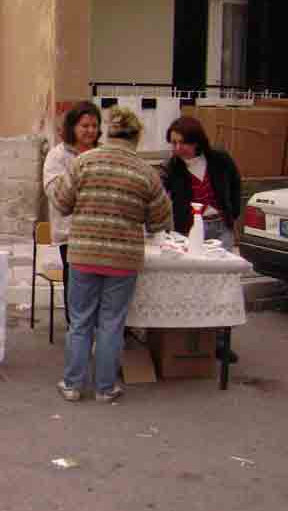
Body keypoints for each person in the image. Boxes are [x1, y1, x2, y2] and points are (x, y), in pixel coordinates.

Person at [51, 107, 173, 403]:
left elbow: (62, 203)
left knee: (80, 322)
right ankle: (105, 388)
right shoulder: (146, 172)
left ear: (109, 133)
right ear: (137, 137)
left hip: (83, 254)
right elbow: (160, 220)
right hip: (123, 259)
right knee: (111, 323)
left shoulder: (83, 162)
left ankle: (72, 385)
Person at [161, 115, 242, 362]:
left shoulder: (219, 160)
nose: (177, 148)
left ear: (196, 142)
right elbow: (162, 195)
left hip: (220, 227)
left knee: (221, 285)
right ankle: (193, 339)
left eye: (182, 143)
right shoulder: (172, 168)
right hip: (191, 230)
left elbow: (236, 186)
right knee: (194, 284)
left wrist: (231, 214)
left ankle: (220, 342)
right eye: (173, 143)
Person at [43, 101, 102, 324]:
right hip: (71, 233)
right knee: (77, 291)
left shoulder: (102, 152)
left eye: (94, 126)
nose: (90, 131)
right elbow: (54, 192)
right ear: (73, 127)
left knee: (98, 287)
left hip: (99, 232)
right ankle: (77, 330)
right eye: (85, 126)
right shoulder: (57, 156)